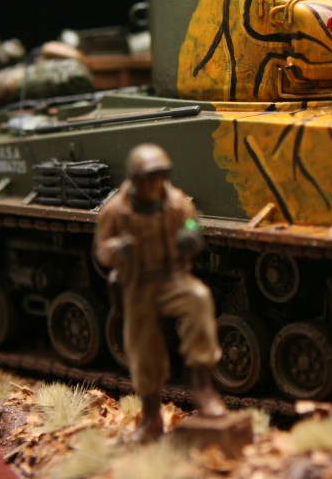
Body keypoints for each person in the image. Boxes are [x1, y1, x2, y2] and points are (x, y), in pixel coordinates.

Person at [94, 143, 226, 441]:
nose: (155, 183)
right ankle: (151, 415)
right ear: (135, 179)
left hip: (173, 279)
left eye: (159, 176)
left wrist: (191, 234)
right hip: (139, 284)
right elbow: (101, 248)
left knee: (199, 298)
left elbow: (192, 222)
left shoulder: (176, 202)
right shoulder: (116, 211)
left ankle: (203, 389)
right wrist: (117, 249)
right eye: (148, 178)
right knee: (143, 347)